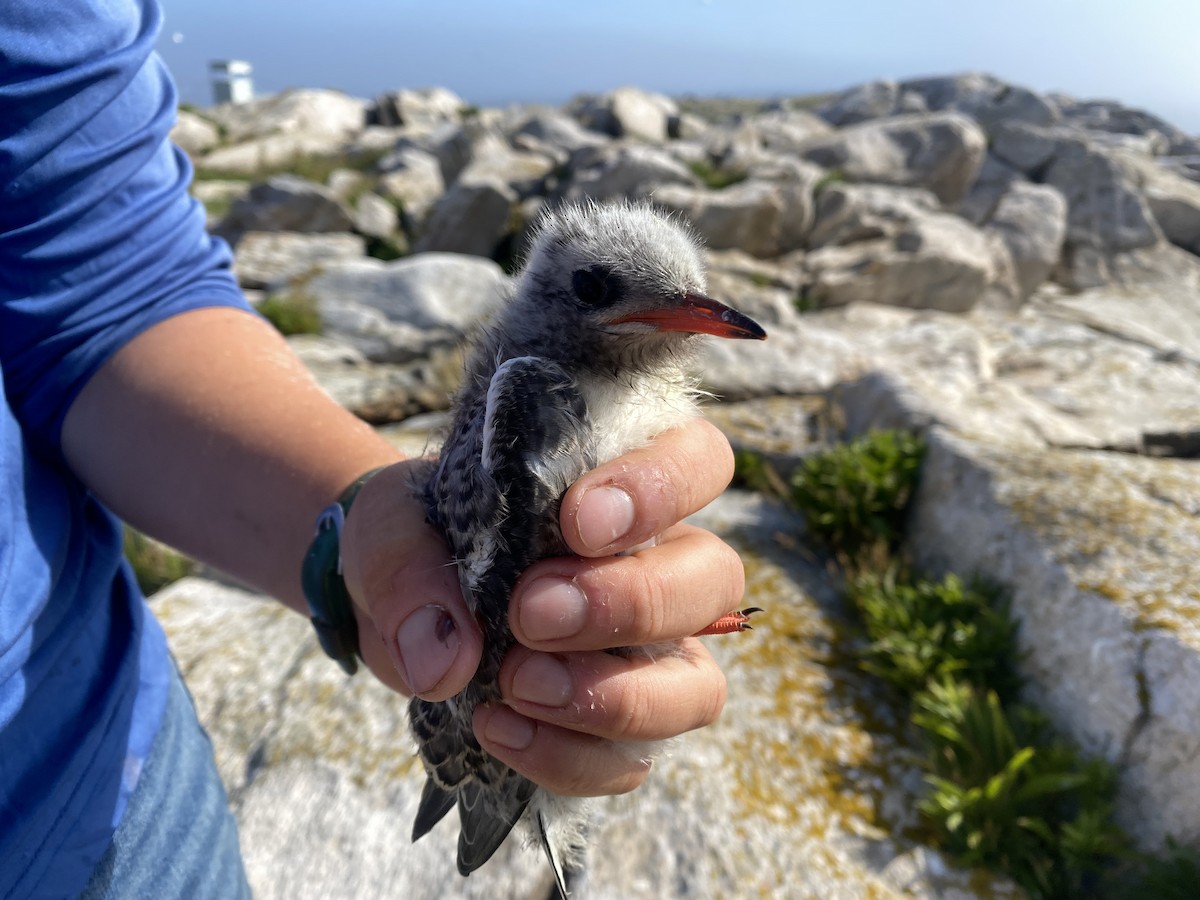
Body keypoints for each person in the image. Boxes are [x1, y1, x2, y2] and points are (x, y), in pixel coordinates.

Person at [0, 1, 745, 897]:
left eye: (690, 303)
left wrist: (363, 543)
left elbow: (99, 283)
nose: (680, 320)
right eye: (601, 291)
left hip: (111, 769)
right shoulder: (529, 396)